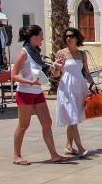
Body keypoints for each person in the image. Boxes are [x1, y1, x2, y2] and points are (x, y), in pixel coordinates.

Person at [11, 25, 69, 165]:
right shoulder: (24, 53)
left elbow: (47, 71)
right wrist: (29, 82)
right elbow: (13, 75)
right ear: (33, 37)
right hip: (25, 93)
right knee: (23, 125)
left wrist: (56, 66)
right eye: (41, 36)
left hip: (37, 93)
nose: (43, 38)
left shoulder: (36, 52)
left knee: (47, 122)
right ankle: (16, 156)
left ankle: (54, 154)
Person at [54, 27, 96, 157]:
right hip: (66, 88)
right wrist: (56, 67)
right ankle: (80, 148)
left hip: (79, 88)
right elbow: (55, 75)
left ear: (77, 38)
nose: (68, 38)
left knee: (74, 117)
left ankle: (68, 146)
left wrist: (93, 84)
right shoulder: (61, 53)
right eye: (66, 36)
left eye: (71, 36)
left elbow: (86, 73)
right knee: (72, 119)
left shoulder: (82, 54)